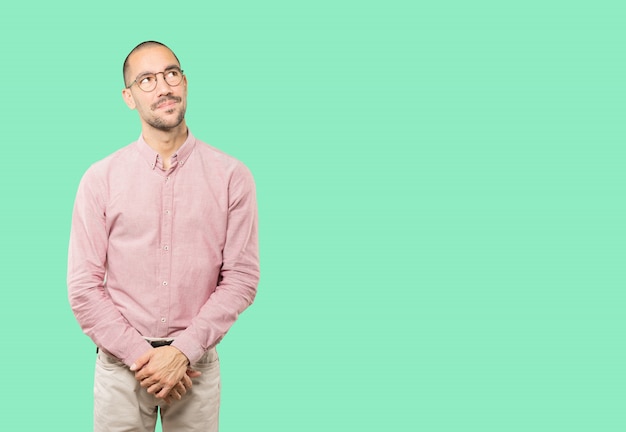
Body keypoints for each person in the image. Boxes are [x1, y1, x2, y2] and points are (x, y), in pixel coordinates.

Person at [67, 40, 260, 432]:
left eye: (171, 74)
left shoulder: (232, 177)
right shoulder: (99, 179)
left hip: (196, 367)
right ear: (129, 97)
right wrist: (144, 357)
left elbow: (241, 278)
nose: (163, 87)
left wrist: (182, 353)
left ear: (185, 82)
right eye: (147, 80)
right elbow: (83, 288)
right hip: (121, 366)